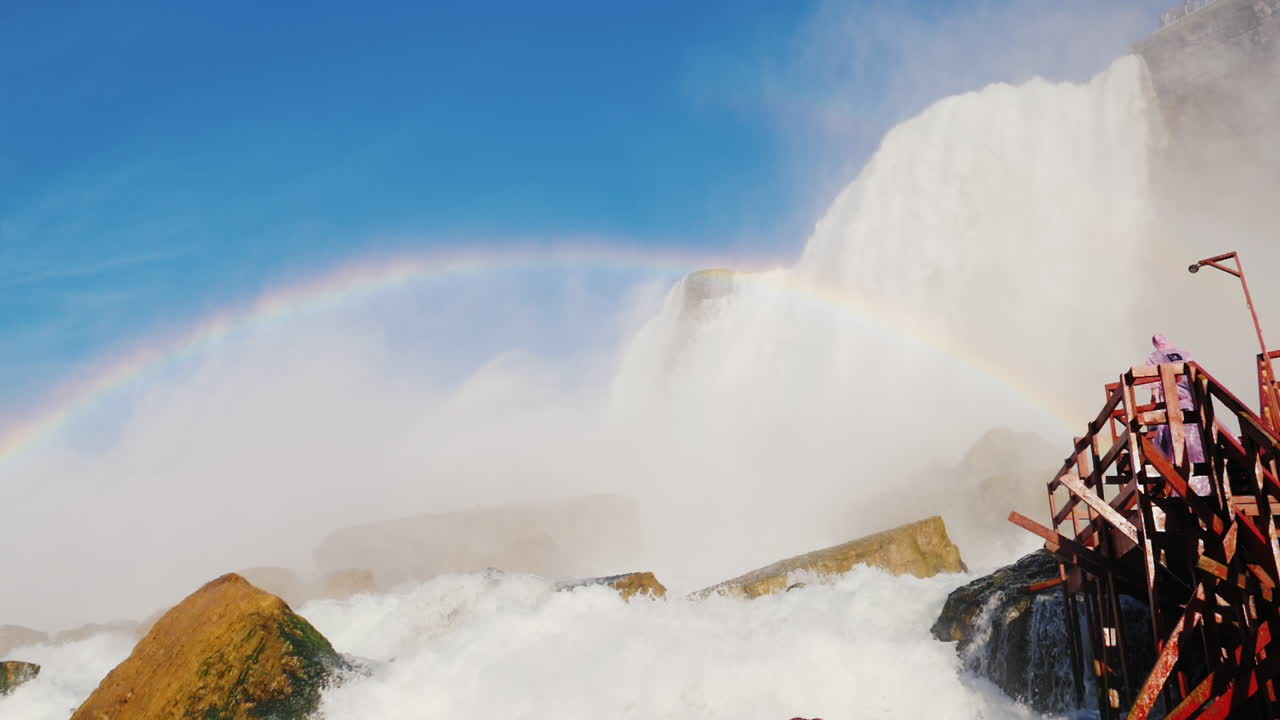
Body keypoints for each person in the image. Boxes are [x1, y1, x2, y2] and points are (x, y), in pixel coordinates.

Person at [1147, 333, 1209, 495]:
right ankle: (1205, 485)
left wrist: (1155, 405)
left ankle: (1178, 485)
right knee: (1199, 442)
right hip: (1192, 404)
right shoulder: (1185, 354)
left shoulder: (1155, 357)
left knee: (1171, 441)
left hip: (1173, 404)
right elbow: (1196, 376)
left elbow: (1154, 386)